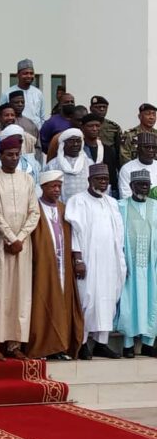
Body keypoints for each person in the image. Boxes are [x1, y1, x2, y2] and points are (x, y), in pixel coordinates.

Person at [0, 136, 40, 360]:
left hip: (23, 245)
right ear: (0, 156)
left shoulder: (27, 179)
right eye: (9, 155)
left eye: (17, 154)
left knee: (20, 292)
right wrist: (10, 238)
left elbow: (34, 212)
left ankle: (15, 344)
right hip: (0, 243)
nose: (14, 158)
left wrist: (21, 238)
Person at [65, 163, 126, 360]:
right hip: (88, 260)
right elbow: (74, 232)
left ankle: (102, 343)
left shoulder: (112, 202)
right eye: (99, 179)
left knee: (108, 300)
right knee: (87, 299)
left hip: (110, 260)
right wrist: (78, 259)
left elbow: (118, 233)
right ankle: (82, 343)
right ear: (89, 180)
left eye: (106, 179)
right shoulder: (78, 201)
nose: (103, 182)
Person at [27, 171, 84, 360]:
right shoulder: (34, 207)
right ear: (42, 187)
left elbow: (73, 236)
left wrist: (76, 259)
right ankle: (43, 347)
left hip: (63, 265)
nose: (57, 190)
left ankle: (61, 347)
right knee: (43, 301)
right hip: (43, 264)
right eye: (53, 186)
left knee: (63, 302)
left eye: (59, 186)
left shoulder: (64, 208)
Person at [116, 170, 157, 358]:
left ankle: (149, 343)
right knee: (129, 302)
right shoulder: (121, 206)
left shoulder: (155, 206)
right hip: (129, 265)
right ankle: (128, 344)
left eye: (146, 185)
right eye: (140, 185)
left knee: (152, 300)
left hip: (151, 265)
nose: (144, 188)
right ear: (131, 186)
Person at [44, 129, 90, 202]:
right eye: (71, 141)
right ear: (63, 144)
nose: (75, 144)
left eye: (78, 141)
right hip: (62, 208)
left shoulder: (89, 163)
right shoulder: (53, 165)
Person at [80, 113, 119, 197]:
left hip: (105, 193)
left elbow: (112, 174)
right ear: (82, 128)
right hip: (82, 191)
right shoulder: (78, 149)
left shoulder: (107, 150)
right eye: (90, 126)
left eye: (97, 126)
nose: (94, 129)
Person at [0, 59, 45, 130]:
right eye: (25, 73)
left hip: (35, 132)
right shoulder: (7, 93)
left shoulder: (38, 93)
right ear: (17, 75)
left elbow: (42, 117)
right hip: (15, 132)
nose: (29, 76)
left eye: (31, 73)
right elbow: (1, 115)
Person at [119, 132, 157, 199]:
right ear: (138, 149)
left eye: (153, 147)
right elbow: (125, 196)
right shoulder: (127, 168)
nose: (151, 150)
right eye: (147, 147)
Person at [89, 95, 122, 168]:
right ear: (91, 108)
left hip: (109, 161)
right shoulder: (85, 125)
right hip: (89, 159)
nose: (102, 109)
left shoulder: (114, 127)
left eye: (104, 107)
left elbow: (119, 150)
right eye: (98, 107)